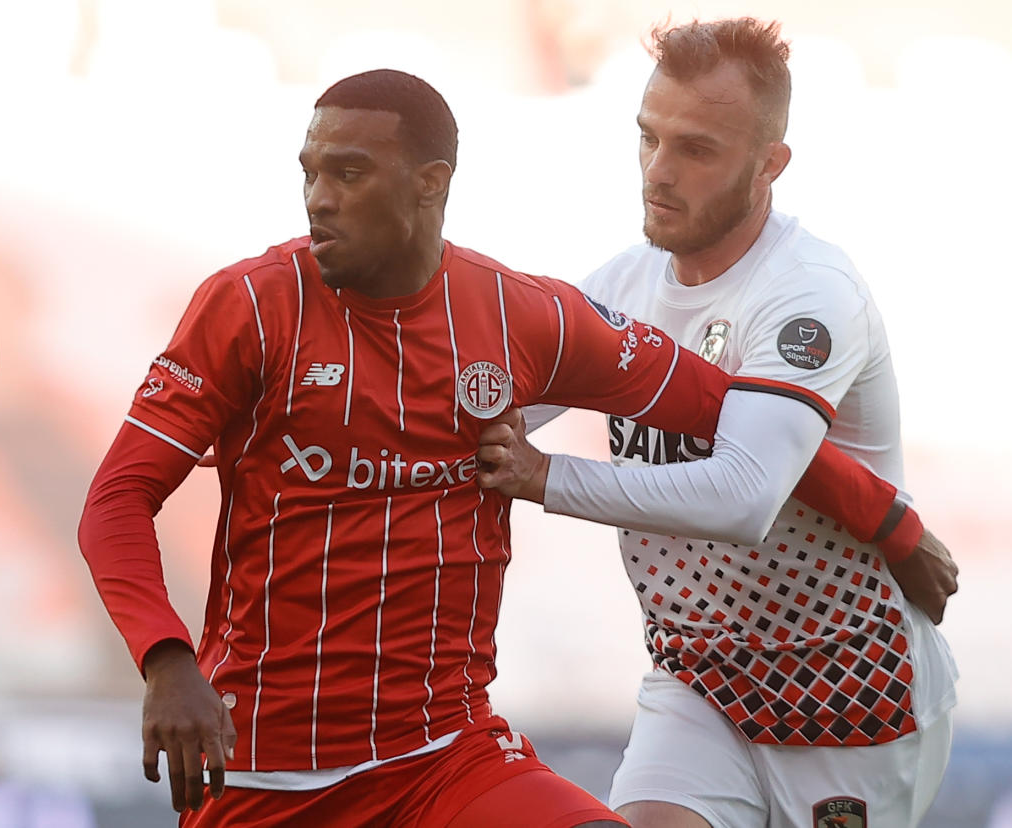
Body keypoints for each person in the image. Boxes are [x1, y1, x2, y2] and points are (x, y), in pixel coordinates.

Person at [77, 68, 934, 828]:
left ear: (430, 183)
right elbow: (116, 500)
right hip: (265, 775)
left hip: (444, 759)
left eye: (348, 173)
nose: (318, 198)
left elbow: (726, 410)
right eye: (309, 173)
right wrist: (167, 659)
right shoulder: (249, 308)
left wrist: (888, 520)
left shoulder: (522, 316)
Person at [474, 19, 958, 828]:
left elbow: (743, 495)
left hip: (848, 690)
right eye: (648, 138)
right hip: (699, 681)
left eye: (696, 150)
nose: (657, 174)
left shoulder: (809, 294)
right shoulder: (621, 288)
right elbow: (487, 415)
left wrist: (545, 476)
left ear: (771, 165)